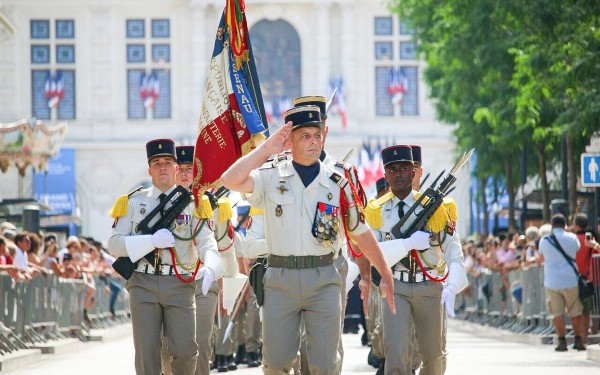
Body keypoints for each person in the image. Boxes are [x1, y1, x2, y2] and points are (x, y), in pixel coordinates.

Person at [221, 107, 396, 375]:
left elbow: (359, 231)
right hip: (281, 278)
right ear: (289, 141)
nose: (314, 141)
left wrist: (384, 272)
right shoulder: (269, 175)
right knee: (276, 364)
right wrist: (267, 148)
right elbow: (230, 179)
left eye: (317, 135)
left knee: (325, 365)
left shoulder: (338, 182)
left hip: (323, 278)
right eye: (305, 136)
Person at [108, 138, 224, 374]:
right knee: (146, 354)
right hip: (142, 281)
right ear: (149, 169)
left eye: (168, 162)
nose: (163, 167)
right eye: (157, 163)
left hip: (179, 283)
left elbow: (206, 240)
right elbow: (114, 245)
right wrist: (149, 241)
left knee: (185, 352)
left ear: (175, 167)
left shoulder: (193, 204)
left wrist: (210, 265)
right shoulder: (132, 202)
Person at [365, 144, 467, 375]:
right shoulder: (377, 210)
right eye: (392, 169)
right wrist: (406, 244)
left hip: (428, 285)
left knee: (434, 355)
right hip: (395, 285)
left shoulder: (436, 207)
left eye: (404, 168)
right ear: (386, 174)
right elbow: (375, 252)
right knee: (397, 352)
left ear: (414, 172)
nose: (398, 174)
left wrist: (453, 283)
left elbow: (452, 246)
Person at [536, 213, 584, 351]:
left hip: (552, 282)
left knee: (557, 313)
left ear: (552, 225)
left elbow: (541, 254)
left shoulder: (545, 240)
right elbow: (577, 248)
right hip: (570, 280)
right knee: (575, 311)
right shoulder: (572, 238)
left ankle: (562, 341)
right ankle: (578, 340)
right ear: (565, 225)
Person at [572, 213, 599, 345]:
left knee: (574, 310)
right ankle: (584, 338)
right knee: (586, 311)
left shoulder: (572, 239)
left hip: (572, 278)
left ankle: (578, 339)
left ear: (575, 224)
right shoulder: (590, 240)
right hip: (587, 279)